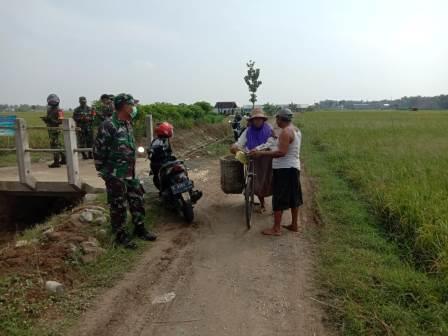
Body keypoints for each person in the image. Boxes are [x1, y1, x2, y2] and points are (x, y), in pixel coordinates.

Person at [93, 93, 157, 248]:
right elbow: (98, 152)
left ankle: (140, 228)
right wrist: (106, 173)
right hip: (115, 175)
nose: (134, 108)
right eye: (132, 105)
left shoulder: (127, 123)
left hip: (130, 173)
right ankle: (121, 236)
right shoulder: (109, 125)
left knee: (137, 199)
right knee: (118, 205)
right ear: (123, 106)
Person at [250, 108, 302, 236]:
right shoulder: (295, 130)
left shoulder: (285, 132)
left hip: (284, 170)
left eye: (277, 118)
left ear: (280, 119)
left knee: (278, 198)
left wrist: (260, 153)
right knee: (294, 197)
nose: (276, 121)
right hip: (293, 168)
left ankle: (276, 229)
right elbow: (286, 147)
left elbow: (281, 152)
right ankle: (294, 224)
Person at [231, 108, 274, 212]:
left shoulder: (270, 129)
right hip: (253, 160)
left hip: (267, 161)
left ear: (263, 120)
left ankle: (275, 207)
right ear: (252, 120)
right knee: (257, 183)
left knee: (271, 182)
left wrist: (260, 149)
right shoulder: (247, 131)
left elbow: (272, 143)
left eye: (260, 119)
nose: (257, 121)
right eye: (255, 119)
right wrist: (235, 146)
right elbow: (240, 142)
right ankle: (262, 205)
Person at [148, 122, 175, 190]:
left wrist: (150, 152)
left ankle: (163, 190)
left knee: (156, 174)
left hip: (161, 163)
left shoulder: (157, 141)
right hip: (168, 160)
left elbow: (152, 152)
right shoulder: (166, 140)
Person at [43, 94, 66, 168]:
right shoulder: (49, 110)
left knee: (55, 145)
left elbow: (61, 121)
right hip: (50, 129)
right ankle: (64, 159)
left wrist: (51, 120)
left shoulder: (60, 110)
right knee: (58, 145)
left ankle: (56, 162)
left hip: (56, 129)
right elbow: (49, 119)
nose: (52, 103)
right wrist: (46, 120)